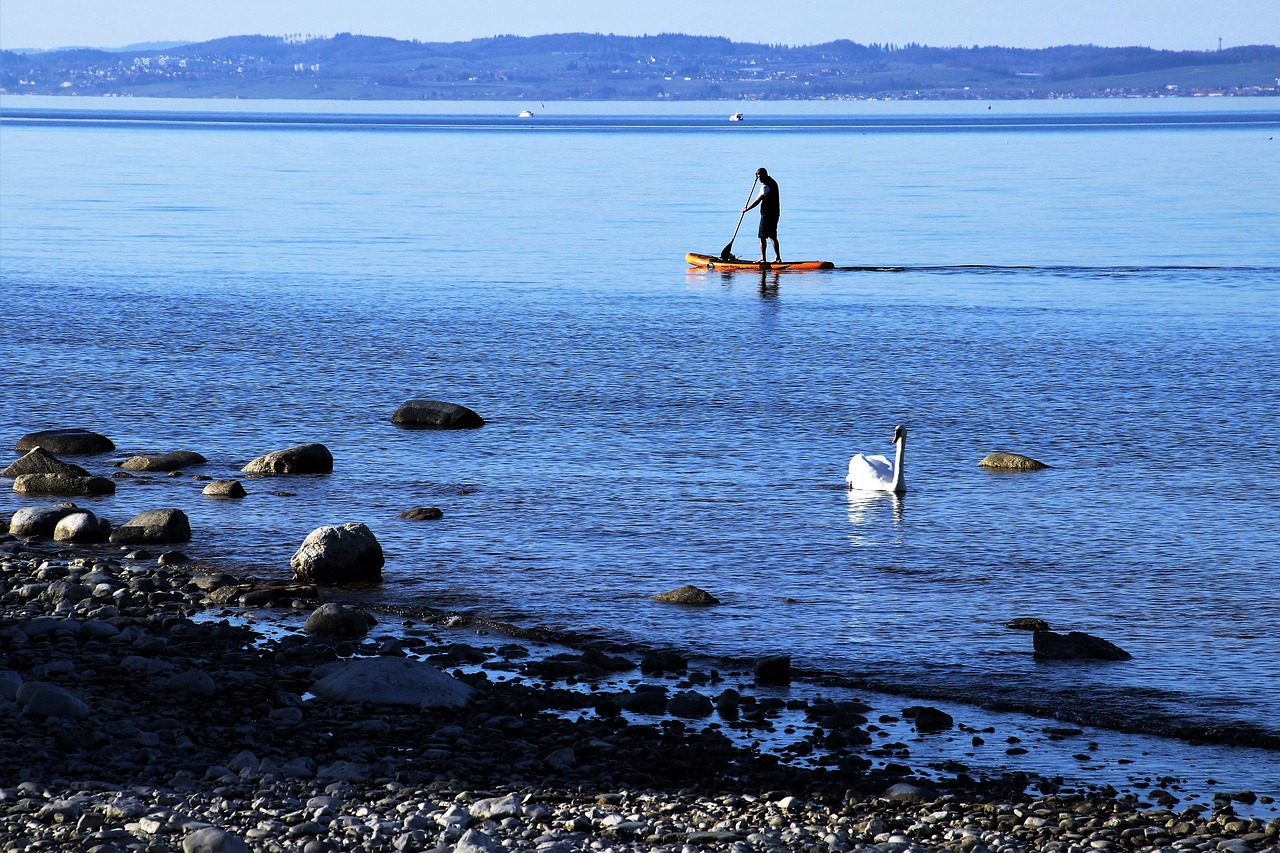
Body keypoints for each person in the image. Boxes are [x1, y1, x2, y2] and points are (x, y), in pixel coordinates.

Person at [743, 167, 781, 263]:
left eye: (760, 176)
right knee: (772, 236)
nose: (759, 179)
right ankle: (777, 258)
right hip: (775, 213)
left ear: (765, 174)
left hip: (767, 214)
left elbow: (757, 200)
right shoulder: (773, 182)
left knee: (762, 236)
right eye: (758, 176)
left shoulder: (765, 186)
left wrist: (747, 209)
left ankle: (763, 258)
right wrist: (756, 177)